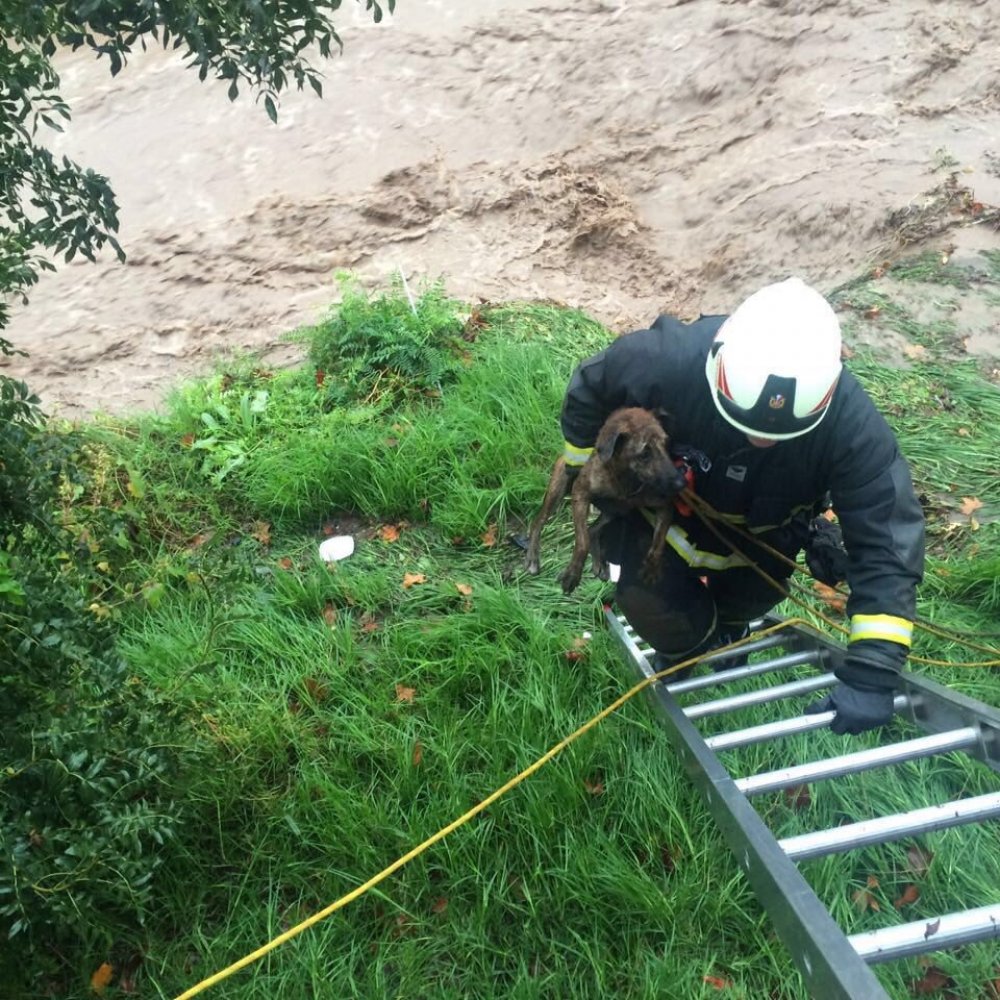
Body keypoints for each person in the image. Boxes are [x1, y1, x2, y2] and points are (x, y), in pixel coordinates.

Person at [559, 277, 925, 735]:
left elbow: (887, 537)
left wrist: (874, 672)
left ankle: (729, 628)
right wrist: (580, 465)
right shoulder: (666, 360)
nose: (762, 440)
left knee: (749, 602)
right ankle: (686, 645)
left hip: (763, 541)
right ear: (719, 368)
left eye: (778, 436)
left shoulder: (851, 428)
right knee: (659, 612)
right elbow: (593, 381)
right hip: (662, 523)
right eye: (748, 425)